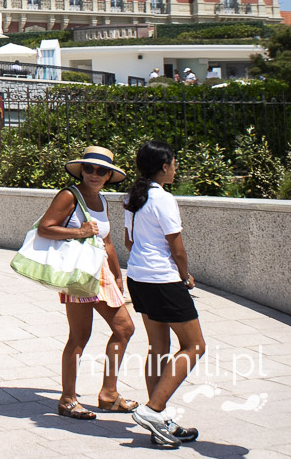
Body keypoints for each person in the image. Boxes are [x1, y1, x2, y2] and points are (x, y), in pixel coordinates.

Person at [35, 146, 136, 421]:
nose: (94, 174)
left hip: (101, 273)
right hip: (79, 274)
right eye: (89, 169)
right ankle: (68, 400)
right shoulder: (70, 195)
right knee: (80, 336)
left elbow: (108, 242)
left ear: (108, 176)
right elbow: (45, 227)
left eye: (101, 170)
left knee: (124, 329)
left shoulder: (102, 200)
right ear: (82, 170)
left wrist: (117, 276)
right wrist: (79, 231)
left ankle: (108, 394)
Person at [125, 141, 205, 447]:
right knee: (195, 345)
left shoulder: (133, 198)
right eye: (173, 163)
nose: (175, 167)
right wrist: (184, 277)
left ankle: (160, 425)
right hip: (163, 281)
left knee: (158, 347)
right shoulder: (164, 200)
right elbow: (178, 248)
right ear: (163, 167)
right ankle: (154, 410)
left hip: (139, 278)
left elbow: (129, 242)